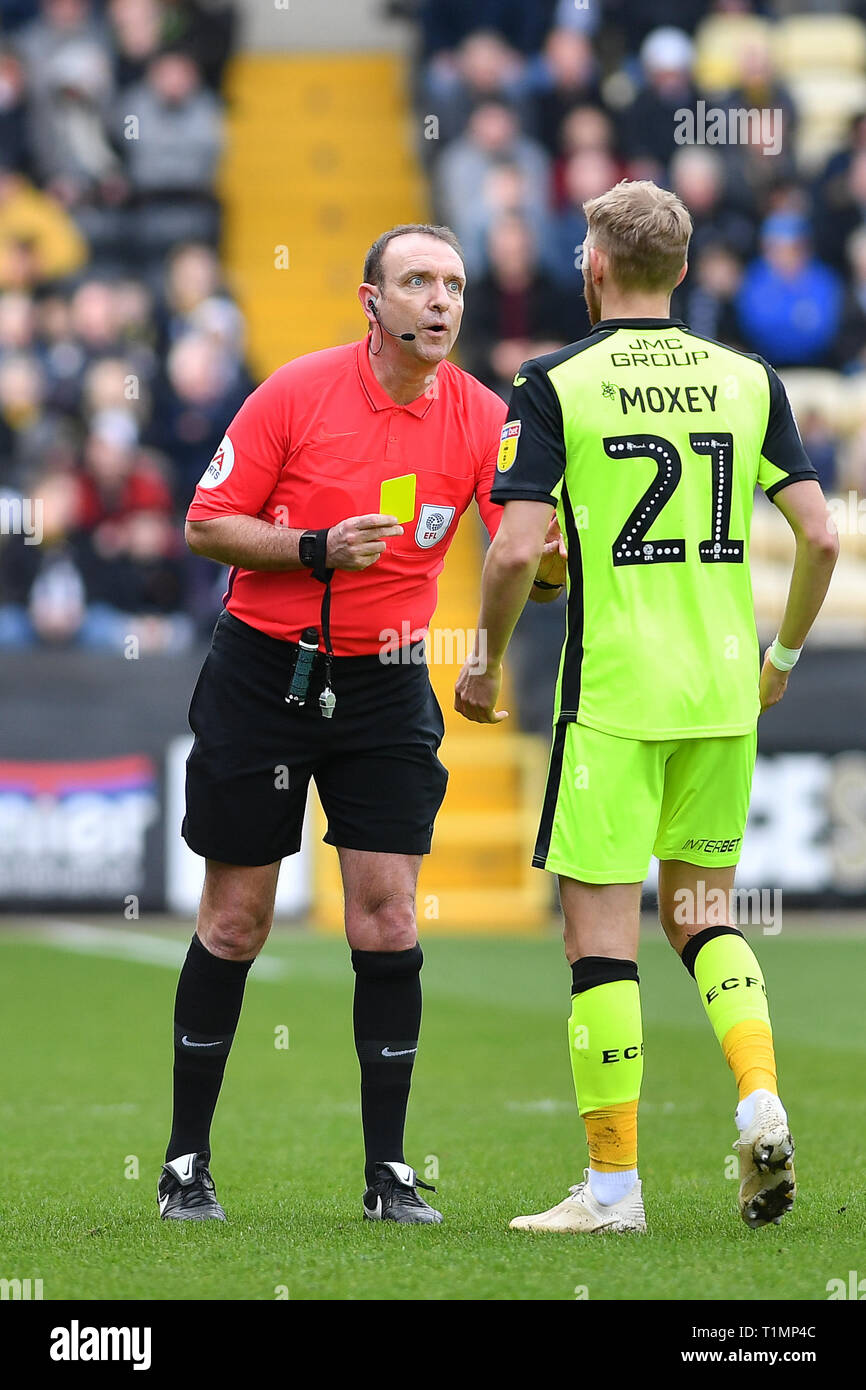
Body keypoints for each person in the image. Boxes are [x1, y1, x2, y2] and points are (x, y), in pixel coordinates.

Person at [455, 180, 838, 1233]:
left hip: (615, 694)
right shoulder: (747, 378)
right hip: (722, 689)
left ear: (593, 266)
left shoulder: (550, 379)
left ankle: (613, 1190)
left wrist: (484, 663)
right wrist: (783, 654)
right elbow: (820, 537)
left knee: (599, 944)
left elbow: (515, 548)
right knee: (702, 915)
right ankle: (756, 1094)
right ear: (676, 271)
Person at [158, 223, 557, 1226]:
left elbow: (519, 548)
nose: (440, 301)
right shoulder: (294, 391)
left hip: (384, 685)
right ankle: (183, 1165)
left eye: (453, 285)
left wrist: (549, 566)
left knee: (384, 917)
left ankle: (388, 1176)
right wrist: (313, 546)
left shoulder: (480, 412)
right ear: (369, 302)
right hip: (264, 675)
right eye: (417, 281)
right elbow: (205, 523)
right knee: (235, 921)